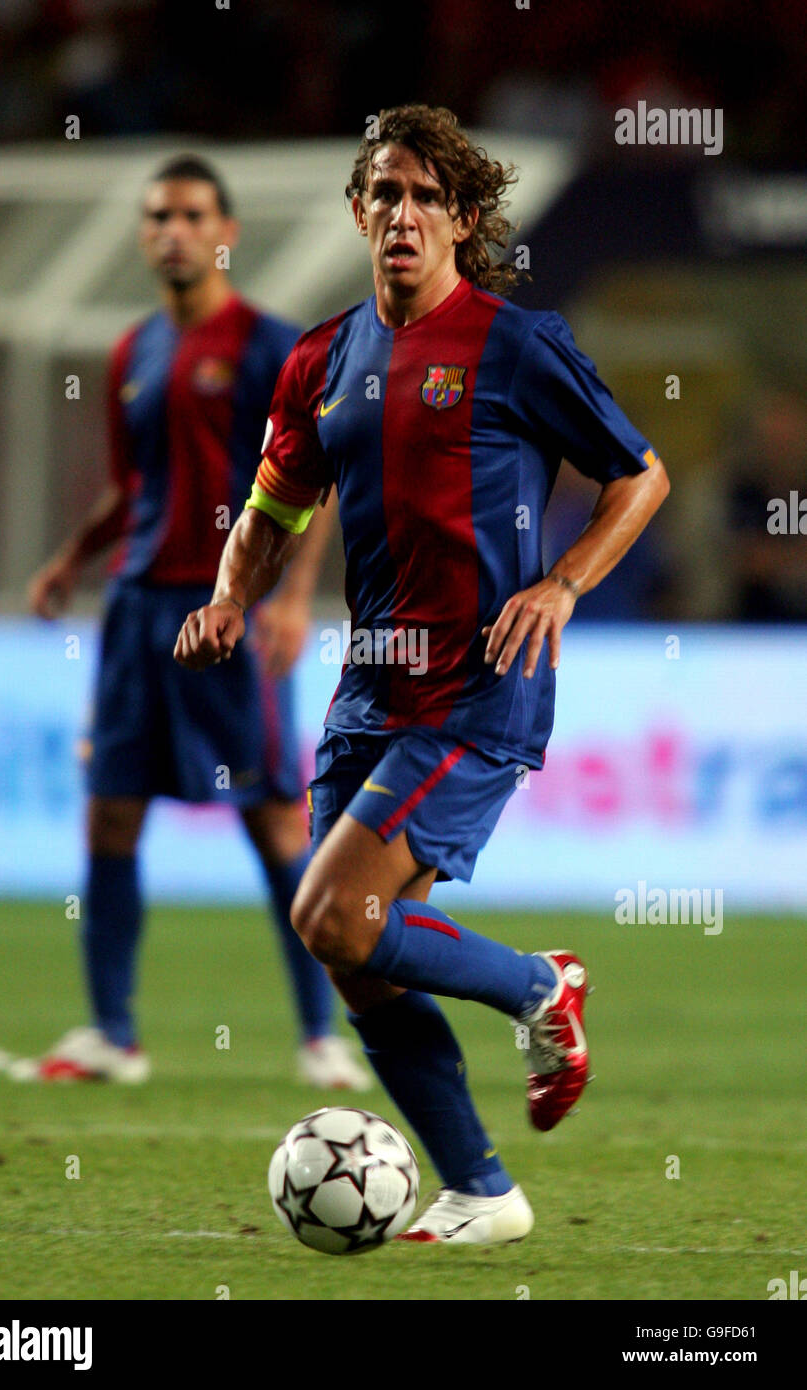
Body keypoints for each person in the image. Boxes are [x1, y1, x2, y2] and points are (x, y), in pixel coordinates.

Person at [174, 107, 670, 1244]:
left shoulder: (516, 343)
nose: (402, 213)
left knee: (332, 915)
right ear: (358, 214)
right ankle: (483, 1189)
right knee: (361, 960)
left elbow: (637, 477)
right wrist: (225, 596)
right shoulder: (319, 359)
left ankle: (540, 986)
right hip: (367, 692)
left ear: (462, 218)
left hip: (478, 685)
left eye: (425, 196)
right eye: (384, 193)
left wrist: (562, 584)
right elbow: (271, 511)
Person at [26, 154, 368, 1091]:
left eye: (190, 214)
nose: (172, 230)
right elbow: (130, 485)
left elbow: (319, 475)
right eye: (157, 216)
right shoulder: (132, 353)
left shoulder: (270, 348)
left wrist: (293, 596)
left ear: (226, 233)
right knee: (109, 816)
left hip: (228, 610)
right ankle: (112, 1034)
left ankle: (319, 1035)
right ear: (144, 236)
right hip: (137, 611)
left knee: (273, 825)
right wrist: (71, 560)